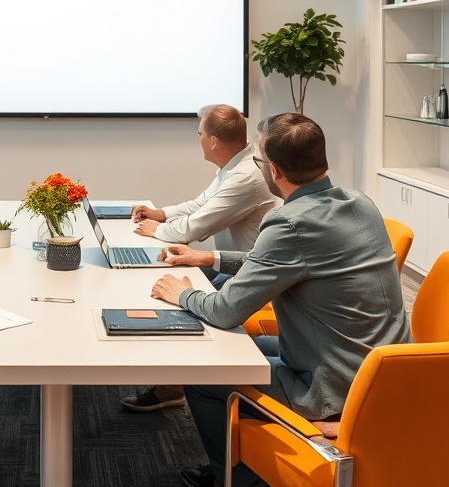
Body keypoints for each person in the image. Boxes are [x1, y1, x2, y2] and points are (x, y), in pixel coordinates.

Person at [150, 113, 411, 487]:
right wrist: (211, 258)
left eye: (257, 162)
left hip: (334, 384)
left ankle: (235, 478)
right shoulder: (359, 203)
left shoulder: (289, 222)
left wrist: (181, 292)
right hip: (383, 372)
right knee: (247, 347)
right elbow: (290, 260)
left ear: (273, 169)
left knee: (204, 375)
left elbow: (225, 311)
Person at [121, 104, 277, 413]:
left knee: (181, 294)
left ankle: (176, 384)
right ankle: (174, 381)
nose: (198, 138)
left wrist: (159, 230)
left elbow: (196, 225)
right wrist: (161, 214)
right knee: (178, 280)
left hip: (252, 272)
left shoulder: (245, 176)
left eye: (200, 133)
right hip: (233, 262)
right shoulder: (235, 166)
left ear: (214, 141)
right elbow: (200, 204)